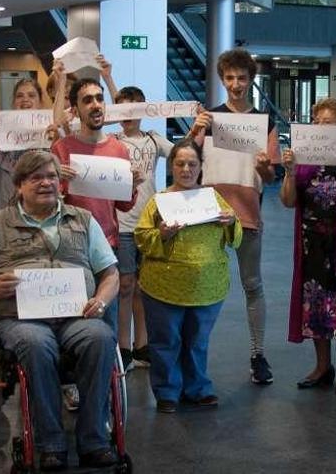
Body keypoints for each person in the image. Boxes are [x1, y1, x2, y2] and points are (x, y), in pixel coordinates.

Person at [0, 151, 119, 471]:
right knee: (36, 345)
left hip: (77, 314)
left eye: (51, 176)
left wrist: (100, 300)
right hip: (22, 318)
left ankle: (93, 440)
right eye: (36, 178)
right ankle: (51, 442)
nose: (46, 183)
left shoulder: (83, 219)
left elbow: (111, 274)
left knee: (101, 338)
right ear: (19, 186)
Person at [187, 48, 278, 385]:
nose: (236, 84)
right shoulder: (210, 119)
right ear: (222, 80)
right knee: (199, 286)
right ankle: (193, 354)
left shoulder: (264, 123)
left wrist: (264, 168)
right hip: (209, 216)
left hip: (248, 216)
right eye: (230, 78)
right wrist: (194, 131)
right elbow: (184, 161)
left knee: (252, 285)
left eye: (242, 77)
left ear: (251, 80)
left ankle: (258, 354)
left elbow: (270, 178)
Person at [134, 139, 241, 413]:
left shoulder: (212, 198)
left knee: (197, 342)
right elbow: (142, 239)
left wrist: (232, 221)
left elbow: (235, 237)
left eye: (192, 164)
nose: (186, 169)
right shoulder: (158, 201)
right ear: (171, 166)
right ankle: (167, 391)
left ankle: (197, 388)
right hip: (163, 288)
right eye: (180, 163)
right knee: (165, 342)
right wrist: (162, 234)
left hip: (207, 288)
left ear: (200, 167)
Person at [279, 98, 336, 396]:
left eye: (329, 123)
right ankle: (322, 366)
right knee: (315, 306)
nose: (322, 128)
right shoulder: (304, 159)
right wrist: (290, 172)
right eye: (318, 122)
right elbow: (287, 200)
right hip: (313, 244)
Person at [50, 77, 143, 334]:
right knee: (74, 319)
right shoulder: (61, 148)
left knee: (107, 318)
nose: (96, 105)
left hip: (106, 244)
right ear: (76, 110)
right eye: (87, 100)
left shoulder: (118, 149)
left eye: (99, 98)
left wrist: (132, 186)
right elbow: (48, 202)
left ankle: (107, 371)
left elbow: (123, 206)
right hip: (70, 246)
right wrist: (59, 183)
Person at [114, 86, 175, 370]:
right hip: (122, 223)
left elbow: (181, 153)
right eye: (122, 108)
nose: (128, 114)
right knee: (125, 285)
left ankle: (142, 345)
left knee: (143, 286)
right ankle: (123, 347)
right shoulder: (111, 141)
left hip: (150, 223)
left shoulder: (153, 140)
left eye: (133, 108)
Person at [0, 79, 57, 214]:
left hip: (40, 213)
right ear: (14, 103)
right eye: (20, 96)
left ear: (40, 102)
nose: (25, 99)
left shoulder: (49, 134)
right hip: (3, 213)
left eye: (31, 95)